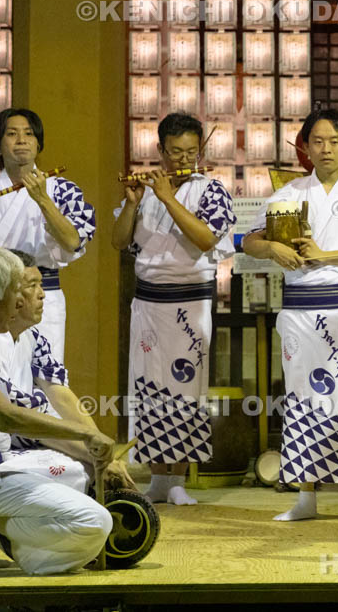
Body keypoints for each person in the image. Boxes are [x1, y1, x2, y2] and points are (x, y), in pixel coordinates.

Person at [242, 107, 338, 524]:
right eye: (317, 142)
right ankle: (305, 497)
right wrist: (272, 248)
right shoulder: (289, 192)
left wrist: (326, 255)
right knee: (301, 401)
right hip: (299, 309)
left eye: (334, 141)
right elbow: (249, 240)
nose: (325, 149)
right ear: (306, 148)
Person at [0, 247, 113, 576]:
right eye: (20, 289)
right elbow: (8, 417)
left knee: (76, 487)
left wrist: (90, 442)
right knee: (92, 517)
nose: (22, 301)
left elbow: (59, 396)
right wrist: (85, 436)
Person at [112, 113, 236, 506]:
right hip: (148, 299)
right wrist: (133, 204)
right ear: (160, 151)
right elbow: (119, 243)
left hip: (189, 298)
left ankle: (179, 477)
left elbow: (203, 239)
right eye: (175, 152)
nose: (184, 159)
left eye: (191, 151)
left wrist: (167, 197)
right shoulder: (147, 189)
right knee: (147, 386)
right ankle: (157, 478)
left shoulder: (212, 190)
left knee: (184, 388)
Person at [0, 108, 96, 360]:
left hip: (41, 295)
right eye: (12, 134)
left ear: (38, 143)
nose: (21, 140)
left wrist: (43, 199)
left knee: (45, 381)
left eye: (29, 134)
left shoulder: (63, 190)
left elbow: (73, 241)